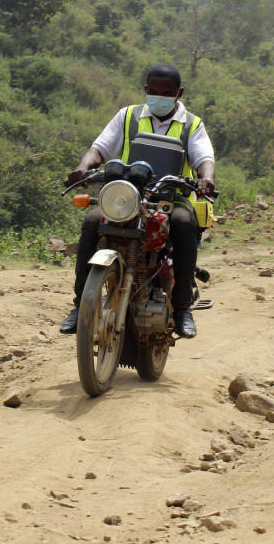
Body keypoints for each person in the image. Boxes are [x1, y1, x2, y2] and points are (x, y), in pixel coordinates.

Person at [60, 63, 215, 339]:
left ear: (178, 93)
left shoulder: (192, 124)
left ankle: (181, 308)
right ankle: (79, 305)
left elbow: (204, 158)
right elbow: (99, 148)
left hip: (171, 199)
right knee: (93, 221)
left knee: (183, 225)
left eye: (166, 92)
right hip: (127, 197)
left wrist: (206, 179)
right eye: (153, 91)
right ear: (145, 90)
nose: (159, 96)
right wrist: (82, 168)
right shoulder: (128, 116)